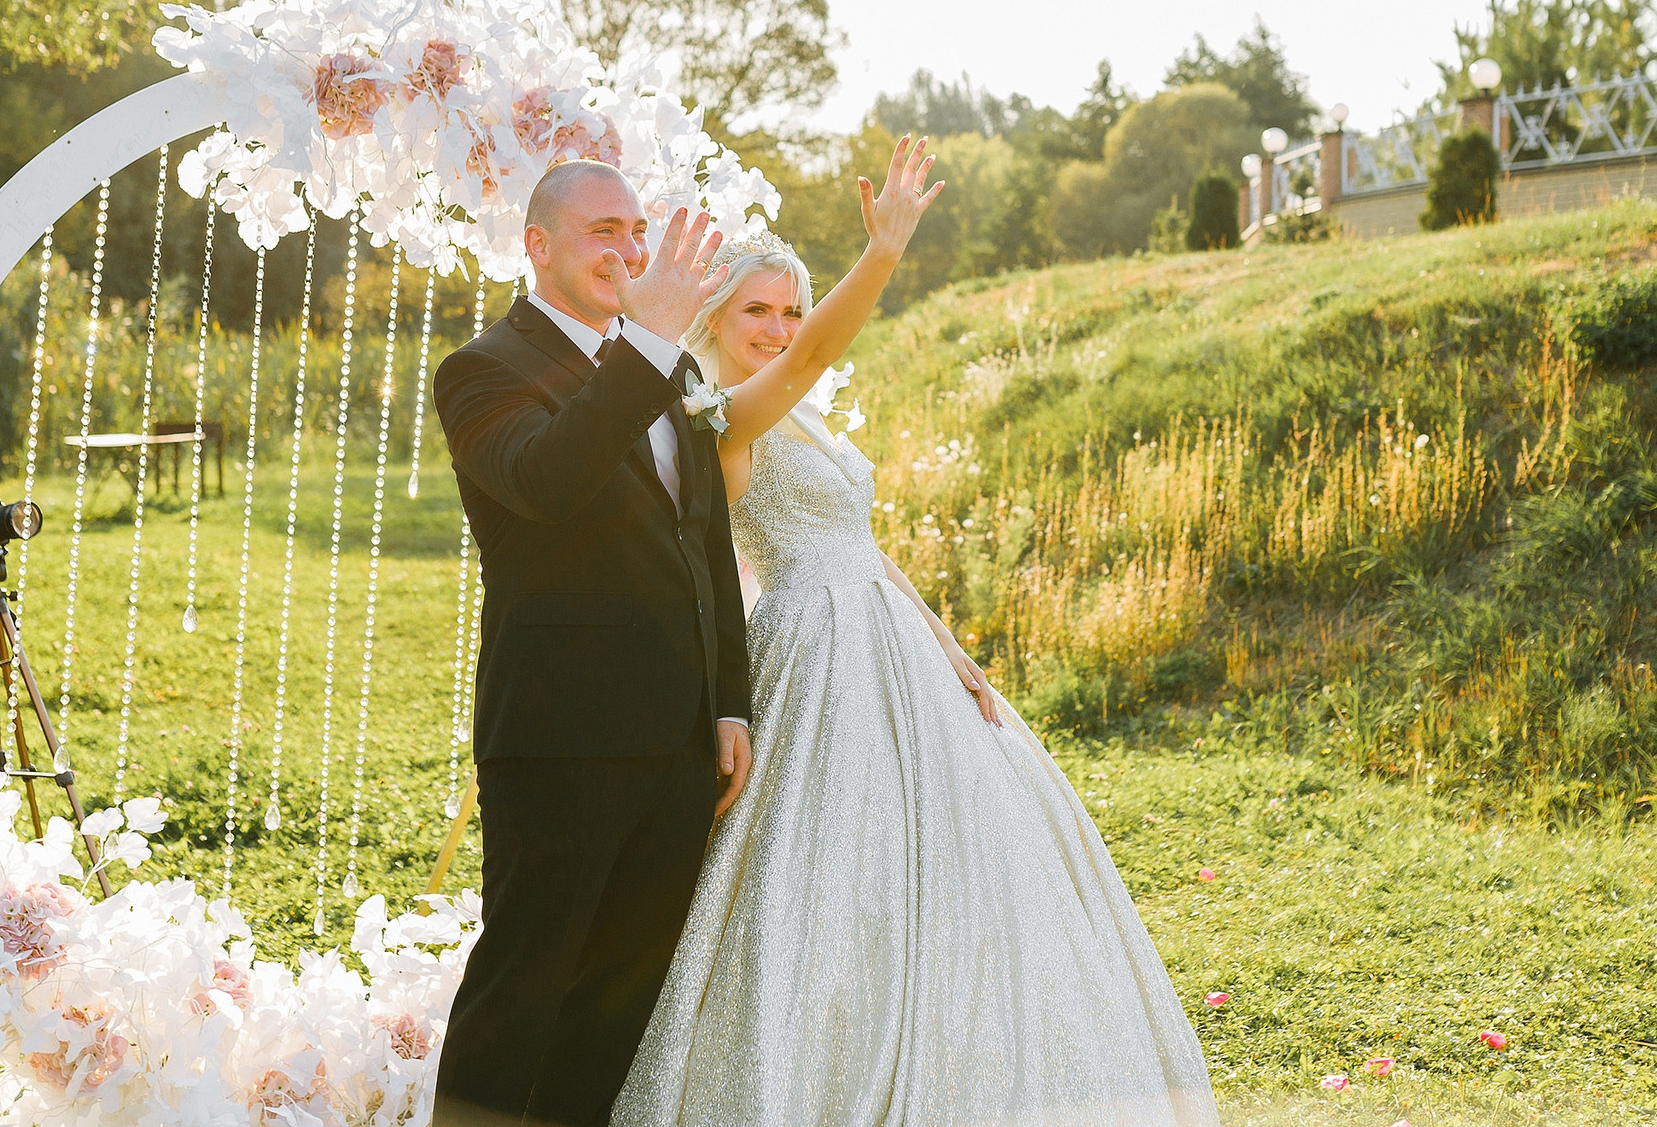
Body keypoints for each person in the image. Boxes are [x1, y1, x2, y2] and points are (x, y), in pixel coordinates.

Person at [614, 138, 1219, 1126]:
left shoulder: (805, 420)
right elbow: (816, 364)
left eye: (788, 309)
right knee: (818, 860)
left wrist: (947, 643)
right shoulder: (716, 415)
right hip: (813, 642)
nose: (778, 327)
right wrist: (884, 251)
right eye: (755, 310)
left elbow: (861, 538)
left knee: (964, 847)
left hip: (891, 637)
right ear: (713, 319)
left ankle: (968, 1053)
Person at [430, 160, 748, 1124]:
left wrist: (728, 699)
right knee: (523, 982)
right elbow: (547, 479)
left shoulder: (677, 369)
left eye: (637, 230)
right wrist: (647, 339)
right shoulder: (483, 368)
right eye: (604, 229)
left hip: (681, 740)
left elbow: (708, 542)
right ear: (540, 244)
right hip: (561, 736)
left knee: (617, 998)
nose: (630, 250)